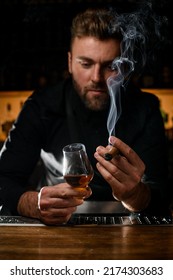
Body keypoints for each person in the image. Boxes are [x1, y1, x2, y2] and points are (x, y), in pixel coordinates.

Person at [0, 6, 171, 225]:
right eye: (86, 64)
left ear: (124, 67)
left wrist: (134, 195)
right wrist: (34, 203)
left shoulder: (145, 108)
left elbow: (161, 195)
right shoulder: (42, 106)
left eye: (110, 66)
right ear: (70, 62)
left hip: (130, 227)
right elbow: (3, 179)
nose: (97, 78)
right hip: (57, 226)